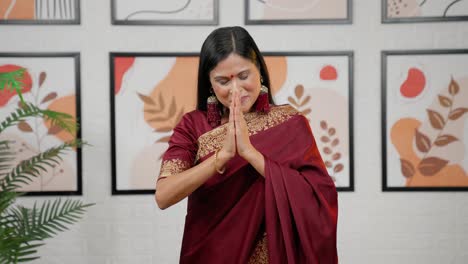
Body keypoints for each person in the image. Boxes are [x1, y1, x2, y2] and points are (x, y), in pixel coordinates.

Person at [154, 26, 338, 264]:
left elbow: (319, 198)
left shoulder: (290, 123)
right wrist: (221, 158)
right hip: (211, 255)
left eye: (244, 76)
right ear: (209, 83)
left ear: (259, 71)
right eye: (223, 81)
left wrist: (250, 153)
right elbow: (164, 196)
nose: (236, 90)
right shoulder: (193, 126)